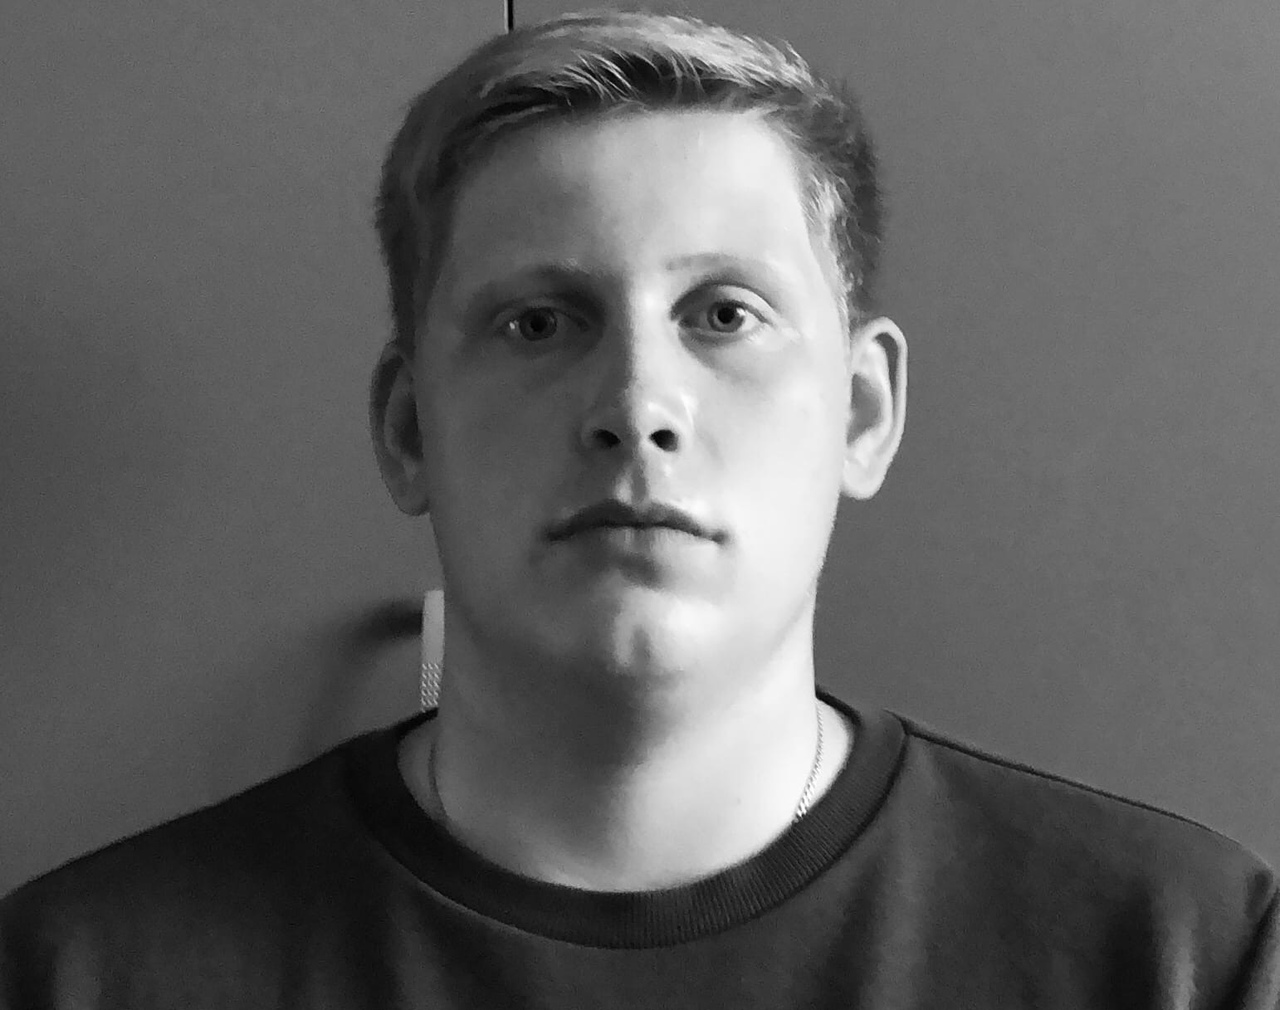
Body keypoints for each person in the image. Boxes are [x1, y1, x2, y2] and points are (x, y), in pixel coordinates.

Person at [2, 7, 1277, 1007]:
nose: (635, 405)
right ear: (406, 429)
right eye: (538, 321)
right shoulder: (78, 973)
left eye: (722, 313)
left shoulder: (1184, 954)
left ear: (860, 410)